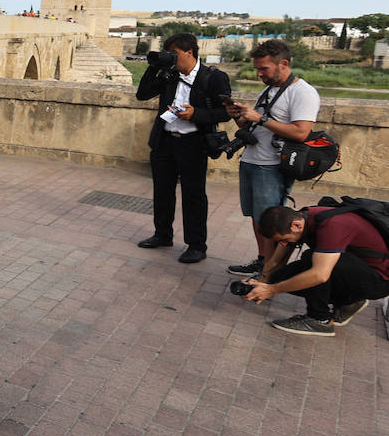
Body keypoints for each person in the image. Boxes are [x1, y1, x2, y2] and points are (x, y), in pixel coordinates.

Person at [226, 40, 321, 277]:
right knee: (257, 218)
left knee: (272, 221)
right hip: (252, 160)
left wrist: (260, 118)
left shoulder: (303, 92)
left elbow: (301, 132)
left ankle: (269, 273)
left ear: (283, 64)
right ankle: (262, 260)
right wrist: (238, 116)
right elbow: (253, 126)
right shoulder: (268, 89)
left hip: (272, 166)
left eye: (264, 68)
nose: (259, 74)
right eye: (257, 69)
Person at [134, 33, 231, 264]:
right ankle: (162, 234)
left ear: (189, 52)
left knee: (193, 196)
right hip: (165, 141)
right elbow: (142, 95)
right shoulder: (170, 75)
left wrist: (196, 114)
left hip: (193, 143)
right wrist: (155, 66)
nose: (170, 57)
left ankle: (196, 245)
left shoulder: (213, 77)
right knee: (162, 192)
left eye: (174, 53)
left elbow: (225, 112)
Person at [239, 205, 389, 336]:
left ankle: (319, 320)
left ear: (296, 225)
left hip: (379, 280)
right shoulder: (299, 219)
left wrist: (271, 290)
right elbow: (276, 261)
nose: (283, 244)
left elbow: (320, 275)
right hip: (356, 269)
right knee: (280, 278)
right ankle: (348, 302)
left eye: (284, 240)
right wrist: (262, 281)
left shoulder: (331, 225)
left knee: (312, 260)